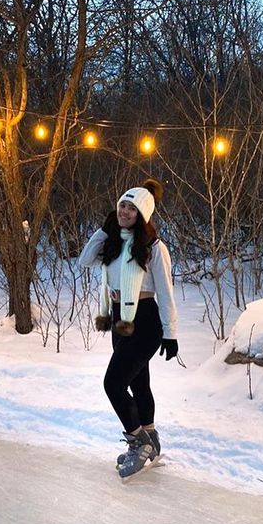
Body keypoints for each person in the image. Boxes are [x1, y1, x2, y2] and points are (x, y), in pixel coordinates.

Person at [77, 178, 179, 480]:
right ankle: (151, 437)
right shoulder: (114, 241)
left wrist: (170, 333)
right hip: (120, 315)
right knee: (138, 383)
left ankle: (139, 443)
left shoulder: (154, 248)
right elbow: (85, 260)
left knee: (113, 383)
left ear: (142, 214)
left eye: (131, 208)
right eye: (122, 205)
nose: (124, 211)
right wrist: (105, 228)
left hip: (145, 319)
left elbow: (166, 291)